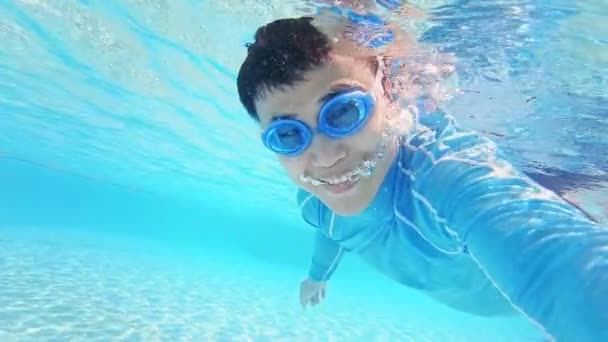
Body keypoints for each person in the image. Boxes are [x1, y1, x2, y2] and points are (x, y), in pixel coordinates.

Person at [235, 12, 608, 342]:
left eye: (344, 111)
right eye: (288, 135)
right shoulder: (316, 204)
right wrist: (318, 276)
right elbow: (331, 230)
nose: (326, 156)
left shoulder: (443, 177)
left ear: (389, 92)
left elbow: (560, 265)